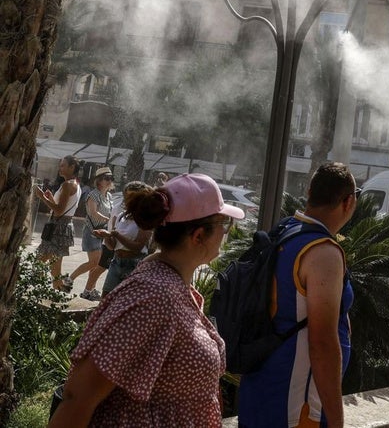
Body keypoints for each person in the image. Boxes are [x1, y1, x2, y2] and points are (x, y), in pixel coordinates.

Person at [48, 173, 244, 427]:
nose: (227, 232)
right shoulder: (152, 297)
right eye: (225, 224)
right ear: (198, 236)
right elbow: (77, 398)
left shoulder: (170, 285)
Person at [238, 162, 357, 428]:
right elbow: (323, 344)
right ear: (348, 202)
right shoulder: (322, 251)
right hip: (297, 408)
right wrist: (337, 422)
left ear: (309, 191)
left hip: (260, 391)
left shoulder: (285, 231)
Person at [93, 181, 152, 297]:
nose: (128, 200)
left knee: (127, 300)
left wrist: (115, 234)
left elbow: (138, 246)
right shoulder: (121, 216)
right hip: (116, 261)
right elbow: (113, 246)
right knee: (106, 299)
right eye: (127, 196)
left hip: (135, 264)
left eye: (133, 197)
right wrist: (107, 236)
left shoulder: (146, 219)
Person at [35, 155, 82, 291]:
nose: (59, 168)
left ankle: (41, 290)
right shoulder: (75, 184)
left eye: (63, 165)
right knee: (54, 266)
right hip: (63, 227)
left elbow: (59, 211)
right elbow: (62, 209)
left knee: (40, 261)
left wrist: (42, 197)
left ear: (72, 167)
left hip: (57, 227)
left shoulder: (68, 185)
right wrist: (50, 198)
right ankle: (57, 290)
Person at [69, 167, 114, 301]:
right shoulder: (93, 194)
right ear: (99, 181)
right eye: (106, 178)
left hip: (103, 233)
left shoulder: (109, 195)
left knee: (96, 263)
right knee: (94, 262)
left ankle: (90, 290)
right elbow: (93, 212)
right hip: (92, 231)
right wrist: (109, 219)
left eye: (111, 178)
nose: (109, 181)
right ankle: (70, 278)